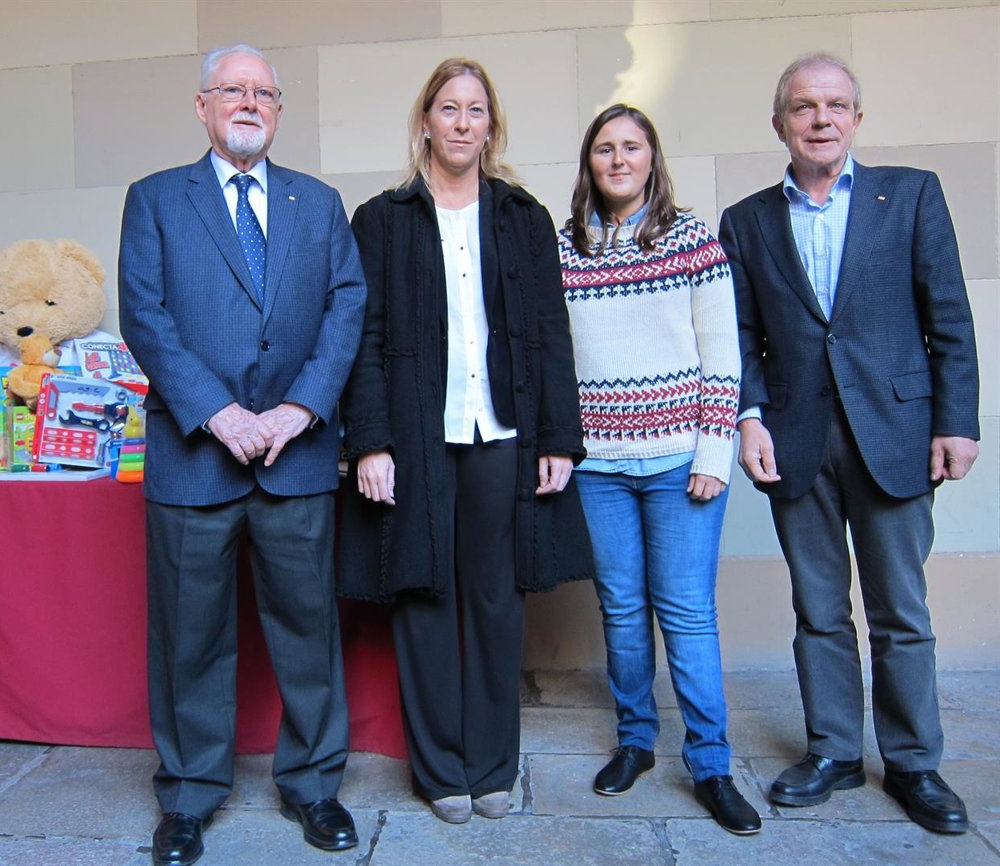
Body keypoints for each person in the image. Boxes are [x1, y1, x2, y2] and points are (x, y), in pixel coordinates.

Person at [118, 44, 367, 866]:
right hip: (196, 459)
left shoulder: (319, 202)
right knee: (191, 635)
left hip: (295, 456)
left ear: (279, 109)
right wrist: (220, 413)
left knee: (305, 629)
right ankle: (189, 796)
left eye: (264, 92)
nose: (249, 103)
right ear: (202, 107)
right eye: (233, 90)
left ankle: (314, 787)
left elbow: (346, 308)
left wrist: (298, 408)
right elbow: (145, 317)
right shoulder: (154, 199)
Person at [719, 53, 980, 834]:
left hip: (896, 433)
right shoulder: (748, 220)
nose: (821, 119)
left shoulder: (912, 196)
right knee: (820, 608)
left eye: (835, 106)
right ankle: (832, 749)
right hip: (796, 440)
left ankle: (913, 765)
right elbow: (742, 336)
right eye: (804, 107)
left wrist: (956, 422)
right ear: (780, 124)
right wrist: (749, 416)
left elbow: (950, 319)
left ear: (857, 120)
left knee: (901, 609)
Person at [338, 57, 593, 826]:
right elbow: (364, 337)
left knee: (494, 598)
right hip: (416, 437)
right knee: (423, 592)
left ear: (491, 126)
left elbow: (550, 333)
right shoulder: (382, 218)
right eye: (446, 108)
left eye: (474, 110)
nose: (460, 122)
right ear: (425, 121)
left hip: (503, 433)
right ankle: (441, 766)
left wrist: (558, 438)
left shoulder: (524, 216)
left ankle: (492, 766)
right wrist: (371, 442)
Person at [558, 104, 760, 835]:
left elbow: (724, 356)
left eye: (631, 147)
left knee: (687, 615)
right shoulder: (566, 249)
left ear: (652, 158)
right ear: (590, 163)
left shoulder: (691, 241)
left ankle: (711, 764)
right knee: (621, 609)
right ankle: (636, 741)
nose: (618, 159)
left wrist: (715, 453)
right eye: (605, 149)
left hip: (681, 462)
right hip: (600, 467)